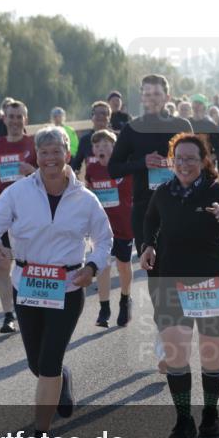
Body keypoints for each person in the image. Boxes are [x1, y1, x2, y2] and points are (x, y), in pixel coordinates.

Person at [0, 126, 112, 438]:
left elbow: (104, 239)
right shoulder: (18, 192)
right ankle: (61, 378)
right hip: (28, 286)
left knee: (49, 361)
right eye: (44, 152)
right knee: (37, 364)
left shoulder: (85, 198)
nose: (50, 158)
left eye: (56, 151)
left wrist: (92, 268)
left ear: (67, 155)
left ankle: (41, 436)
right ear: (35, 157)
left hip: (67, 287)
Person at [140, 134, 219, 438]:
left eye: (191, 158)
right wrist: (148, 245)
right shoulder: (164, 192)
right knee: (176, 355)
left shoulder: (216, 191)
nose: (184, 164)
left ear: (205, 161)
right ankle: (183, 420)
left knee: (211, 356)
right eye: (179, 158)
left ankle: (210, 412)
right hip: (170, 282)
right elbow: (150, 220)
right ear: (171, 160)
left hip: (211, 283)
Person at [108, 74, 193, 373]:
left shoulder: (181, 127)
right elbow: (113, 166)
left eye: (158, 93)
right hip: (146, 212)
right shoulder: (132, 130)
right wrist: (141, 162)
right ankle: (167, 344)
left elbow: (198, 164)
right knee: (157, 282)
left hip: (180, 210)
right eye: (147, 93)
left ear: (167, 97)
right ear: (142, 97)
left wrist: (176, 165)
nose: (153, 98)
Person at [0, 100, 38, 333]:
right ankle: (8, 315)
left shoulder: (34, 144)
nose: (15, 121)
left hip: (30, 212)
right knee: (3, 264)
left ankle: (31, 305)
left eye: (20, 117)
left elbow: (51, 175)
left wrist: (34, 172)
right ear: (4, 119)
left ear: (25, 120)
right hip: (5, 212)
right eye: (11, 116)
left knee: (31, 263)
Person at [84, 129, 133, 327]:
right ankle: (104, 309)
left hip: (124, 225)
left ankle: (125, 299)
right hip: (101, 227)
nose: (101, 149)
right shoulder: (92, 169)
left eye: (105, 145)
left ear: (114, 148)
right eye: (97, 146)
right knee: (102, 265)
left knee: (123, 265)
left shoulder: (124, 167)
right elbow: (88, 191)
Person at [71, 101, 112, 173]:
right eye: (97, 113)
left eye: (104, 113)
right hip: (92, 183)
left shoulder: (117, 138)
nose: (101, 116)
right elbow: (76, 165)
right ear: (92, 117)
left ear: (109, 118)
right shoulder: (85, 140)